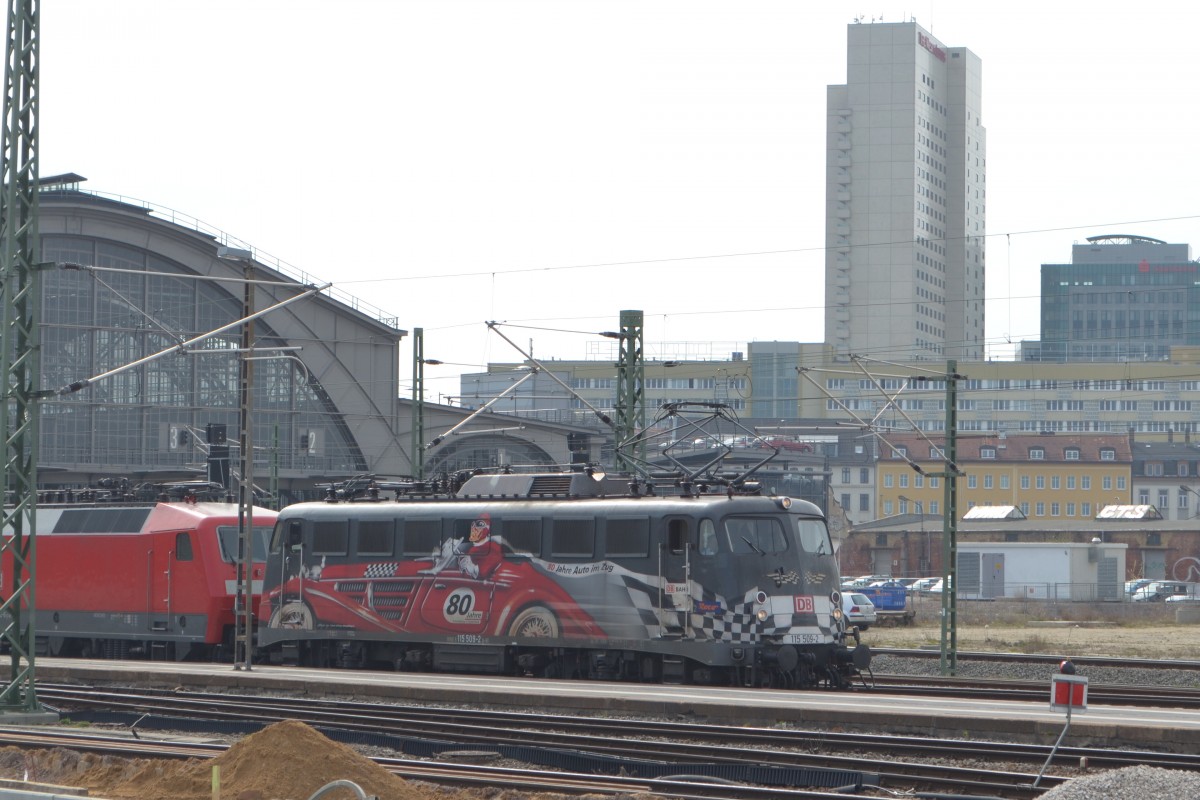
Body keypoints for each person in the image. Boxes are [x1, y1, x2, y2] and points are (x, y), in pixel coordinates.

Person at [458, 512, 503, 579]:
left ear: (487, 529)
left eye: (479, 524)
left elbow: (483, 573)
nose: (474, 528)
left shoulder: (493, 548)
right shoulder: (472, 549)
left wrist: (468, 566)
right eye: (473, 524)